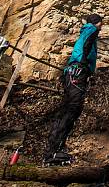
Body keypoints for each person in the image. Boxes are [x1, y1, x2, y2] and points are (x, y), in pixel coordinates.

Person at [43, 13, 103, 166]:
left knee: (67, 109)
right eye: (101, 23)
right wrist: (84, 65)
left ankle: (54, 149)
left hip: (71, 73)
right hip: (78, 72)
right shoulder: (92, 30)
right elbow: (86, 46)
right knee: (73, 108)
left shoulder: (85, 31)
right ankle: (54, 150)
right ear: (97, 23)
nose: (102, 26)